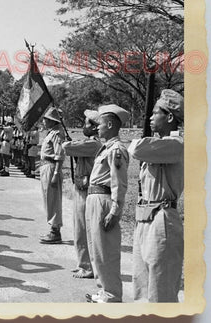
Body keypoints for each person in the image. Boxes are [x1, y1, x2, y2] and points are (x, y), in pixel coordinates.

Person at [128, 89, 184, 302]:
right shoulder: (159, 143)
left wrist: (143, 140)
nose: (150, 118)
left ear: (169, 117)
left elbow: (136, 149)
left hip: (162, 219)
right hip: (145, 216)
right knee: (142, 285)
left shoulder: (175, 144)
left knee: (161, 290)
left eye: (155, 113)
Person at [85, 104, 130, 303]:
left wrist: (115, 211)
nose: (97, 128)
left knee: (106, 250)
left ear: (110, 124)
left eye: (100, 124)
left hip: (104, 200)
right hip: (94, 198)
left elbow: (119, 183)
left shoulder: (116, 149)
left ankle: (112, 294)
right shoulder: (107, 148)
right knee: (96, 248)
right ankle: (104, 290)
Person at [62, 110, 102, 279]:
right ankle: (83, 263)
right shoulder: (89, 143)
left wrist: (69, 143)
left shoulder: (93, 144)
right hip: (81, 188)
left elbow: (67, 148)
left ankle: (88, 267)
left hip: (87, 191)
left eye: (86, 123)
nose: (83, 126)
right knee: (79, 230)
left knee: (84, 230)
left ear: (94, 127)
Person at [39, 107, 66, 244]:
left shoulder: (57, 134)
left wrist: (56, 173)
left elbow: (59, 155)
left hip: (51, 168)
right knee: (48, 198)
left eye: (46, 119)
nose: (43, 121)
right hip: (46, 167)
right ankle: (52, 228)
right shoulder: (51, 133)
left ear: (51, 121)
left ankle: (55, 231)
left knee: (53, 199)